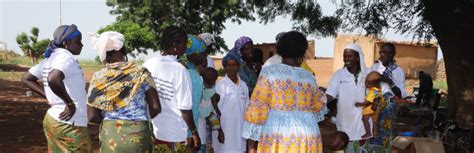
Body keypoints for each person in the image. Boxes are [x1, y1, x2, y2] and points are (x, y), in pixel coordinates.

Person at [243, 31, 328, 153]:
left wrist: (251, 147)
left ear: (280, 49)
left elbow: (257, 109)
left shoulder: (269, 72)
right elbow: (317, 106)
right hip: (308, 135)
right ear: (302, 51)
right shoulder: (309, 77)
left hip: (278, 135)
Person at [86, 31, 161, 152]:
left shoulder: (99, 77)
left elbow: (92, 116)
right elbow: (156, 107)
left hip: (111, 135)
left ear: (104, 55)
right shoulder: (141, 73)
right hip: (139, 135)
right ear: (124, 51)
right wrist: (137, 121)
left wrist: (112, 122)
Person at [22, 24, 91, 152]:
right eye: (78, 41)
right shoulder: (66, 58)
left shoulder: (51, 59)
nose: (82, 45)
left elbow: (27, 78)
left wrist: (48, 97)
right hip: (70, 123)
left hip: (53, 119)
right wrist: (70, 104)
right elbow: (53, 78)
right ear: (66, 43)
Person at [143, 26, 200, 152]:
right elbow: (185, 108)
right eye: (184, 43)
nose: (186, 48)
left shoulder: (148, 64)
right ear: (174, 44)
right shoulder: (180, 70)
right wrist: (194, 132)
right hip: (174, 133)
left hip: (151, 131)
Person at [326, 43, 368, 152]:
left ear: (358, 57)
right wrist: (320, 100)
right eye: (344, 56)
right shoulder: (339, 75)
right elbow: (330, 94)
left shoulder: (367, 74)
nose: (346, 59)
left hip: (363, 123)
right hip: (345, 124)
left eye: (349, 56)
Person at [369, 42, 406, 151]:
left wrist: (389, 81)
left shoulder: (398, 71)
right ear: (380, 53)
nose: (386, 55)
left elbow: (400, 94)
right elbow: (368, 84)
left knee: (386, 131)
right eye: (384, 52)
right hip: (374, 103)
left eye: (389, 53)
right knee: (373, 130)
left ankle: (385, 150)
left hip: (389, 106)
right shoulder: (374, 67)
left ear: (394, 54)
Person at [212, 53, 249, 153]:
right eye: (228, 65)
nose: (232, 68)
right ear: (225, 67)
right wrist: (219, 131)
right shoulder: (220, 86)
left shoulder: (243, 86)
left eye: (234, 65)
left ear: (238, 66)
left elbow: (247, 110)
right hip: (224, 134)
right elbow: (214, 112)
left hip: (240, 133)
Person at [183, 34, 207, 152]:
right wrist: (192, 133)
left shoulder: (189, 73)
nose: (204, 57)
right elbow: (189, 108)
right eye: (202, 53)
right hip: (187, 132)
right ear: (193, 55)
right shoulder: (192, 76)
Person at [197, 67, 223, 153]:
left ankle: (218, 132)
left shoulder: (200, 86)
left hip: (202, 114)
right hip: (205, 114)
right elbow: (213, 101)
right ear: (213, 81)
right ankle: (219, 133)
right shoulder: (211, 89)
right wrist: (217, 109)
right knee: (214, 119)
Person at [355, 71, 384, 139]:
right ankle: (375, 136)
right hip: (377, 107)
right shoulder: (378, 89)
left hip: (371, 107)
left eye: (368, 83)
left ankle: (368, 133)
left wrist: (360, 104)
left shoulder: (372, 91)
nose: (366, 84)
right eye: (366, 82)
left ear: (374, 84)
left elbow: (367, 101)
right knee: (374, 123)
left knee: (364, 118)